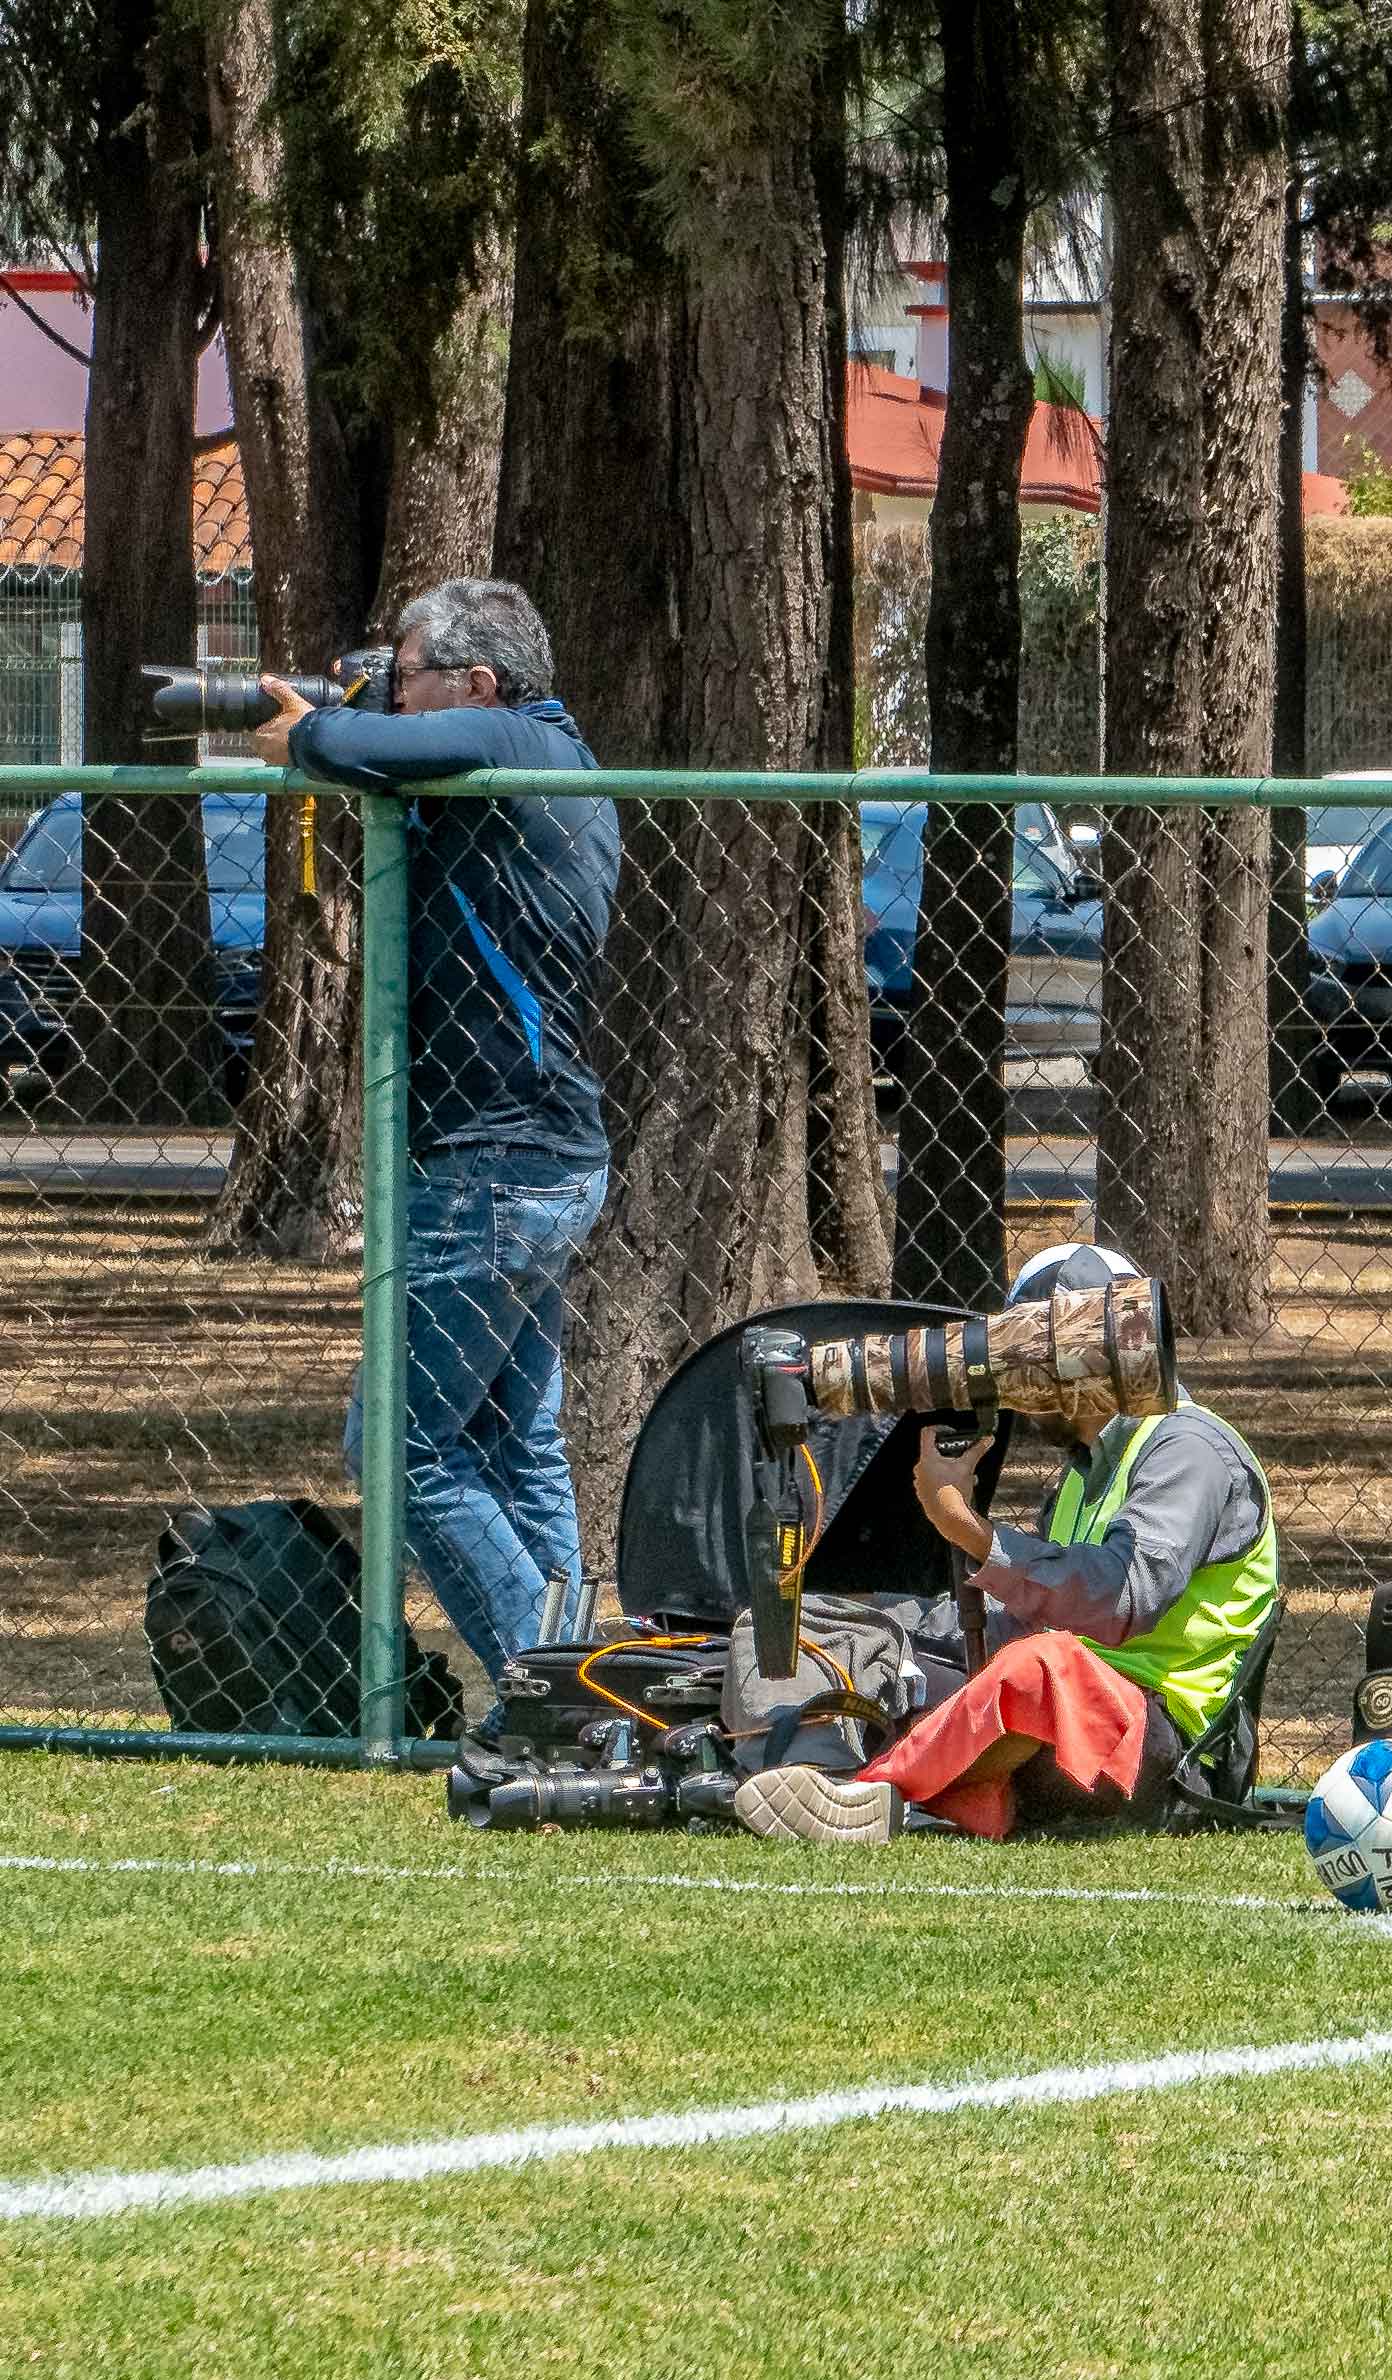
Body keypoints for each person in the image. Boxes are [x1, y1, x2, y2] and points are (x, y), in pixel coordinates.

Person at [252, 579, 619, 1723]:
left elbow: (353, 747)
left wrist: (309, 731)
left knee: (399, 1447)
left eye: (406, 676)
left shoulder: (516, 742)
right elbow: (392, 762)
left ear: (479, 682)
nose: (393, 695)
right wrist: (351, 720)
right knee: (513, 1442)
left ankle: (558, 1696)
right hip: (532, 1157)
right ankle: (574, 1686)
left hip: (494, 1165)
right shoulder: (532, 764)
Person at [734, 1242, 1281, 1842]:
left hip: (1161, 1747)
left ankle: (868, 1794)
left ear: (1072, 1361)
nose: (1015, 1390)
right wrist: (891, 1625)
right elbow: (1024, 1614)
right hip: (1062, 1732)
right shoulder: (1086, 1469)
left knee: (1043, 1666)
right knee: (819, 1623)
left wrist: (969, 1529)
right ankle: (796, 1773)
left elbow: (1123, 1599)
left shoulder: (1189, 1447)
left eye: (1021, 1365)